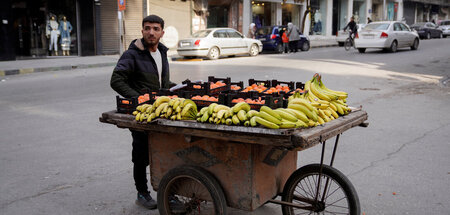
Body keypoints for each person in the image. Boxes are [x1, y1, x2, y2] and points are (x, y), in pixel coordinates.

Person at [110, 15, 176, 210]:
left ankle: (168, 192)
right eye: (147, 28)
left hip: (160, 112)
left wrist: (175, 88)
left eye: (156, 29)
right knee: (141, 155)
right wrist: (139, 99)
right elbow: (116, 80)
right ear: (142, 31)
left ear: (162, 33)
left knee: (165, 153)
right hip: (141, 113)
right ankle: (142, 193)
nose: (151, 32)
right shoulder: (132, 55)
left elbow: (161, 83)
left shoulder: (162, 52)